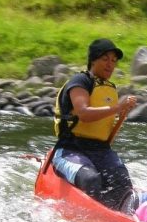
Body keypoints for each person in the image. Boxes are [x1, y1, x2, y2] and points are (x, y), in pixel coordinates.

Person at [51, 38, 139, 212]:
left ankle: (116, 215)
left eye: (113, 61)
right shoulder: (80, 81)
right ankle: (92, 215)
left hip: (101, 150)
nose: (110, 65)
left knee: (122, 181)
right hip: (71, 148)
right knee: (91, 179)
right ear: (93, 60)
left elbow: (106, 131)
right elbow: (83, 113)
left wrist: (121, 113)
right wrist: (117, 107)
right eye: (105, 59)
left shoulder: (109, 89)